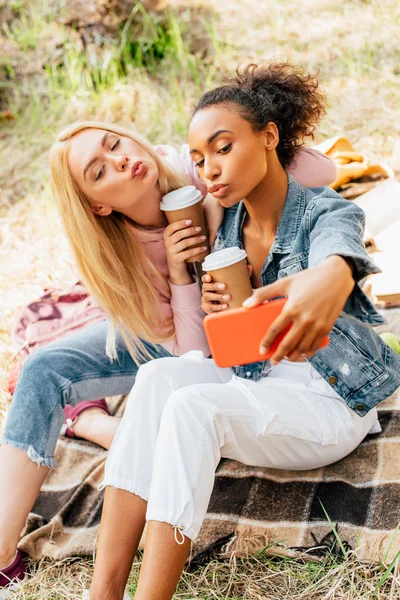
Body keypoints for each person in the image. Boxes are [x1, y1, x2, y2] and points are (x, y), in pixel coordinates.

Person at [88, 63, 400, 600]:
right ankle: (103, 591)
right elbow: (235, 350)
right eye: (200, 159)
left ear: (269, 136)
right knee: (160, 376)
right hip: (263, 388)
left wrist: (327, 279)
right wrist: (217, 311)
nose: (210, 169)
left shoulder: (326, 212)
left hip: (331, 402)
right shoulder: (226, 229)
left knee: (191, 408)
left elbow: (338, 255)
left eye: (223, 147)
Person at [0, 119, 335, 597]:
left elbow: (323, 169)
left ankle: (90, 421)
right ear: (99, 204)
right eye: (99, 172)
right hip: (171, 332)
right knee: (41, 369)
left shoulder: (192, 168)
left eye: (115, 143)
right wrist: (180, 273)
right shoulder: (114, 253)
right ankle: (2, 552)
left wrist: (222, 179)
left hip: (235, 331)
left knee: (168, 386)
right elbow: (191, 353)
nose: (120, 160)